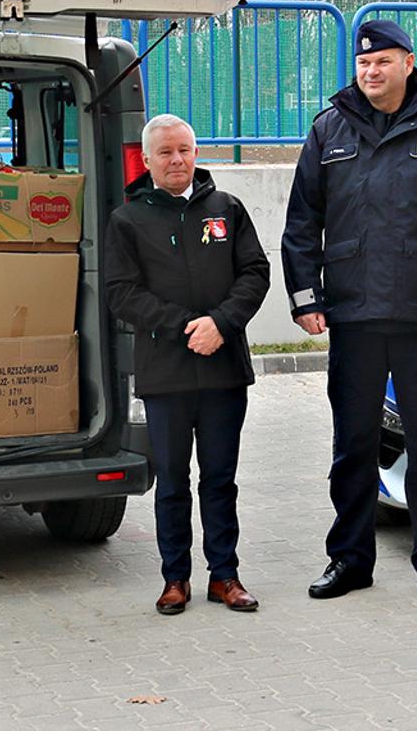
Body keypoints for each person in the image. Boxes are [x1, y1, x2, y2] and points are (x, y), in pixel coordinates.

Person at [281, 20, 417, 604]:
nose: (370, 72)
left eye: (382, 62)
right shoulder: (329, 130)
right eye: (362, 64)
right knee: (352, 445)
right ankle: (349, 560)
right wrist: (306, 298)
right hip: (352, 317)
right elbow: (302, 221)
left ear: (407, 63)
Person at [103, 114, 272, 615]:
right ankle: (175, 578)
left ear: (196, 154)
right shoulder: (127, 220)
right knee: (173, 481)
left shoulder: (228, 208)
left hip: (223, 369)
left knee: (220, 477)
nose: (177, 160)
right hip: (166, 372)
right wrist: (185, 326)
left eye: (184, 150)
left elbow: (255, 272)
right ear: (149, 160)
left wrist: (221, 323)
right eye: (166, 153)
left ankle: (225, 576)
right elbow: (121, 293)